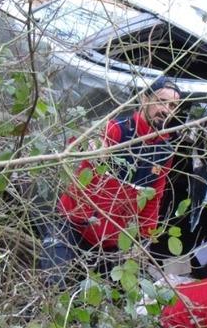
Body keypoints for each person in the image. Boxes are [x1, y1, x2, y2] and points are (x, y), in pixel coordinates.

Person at [40, 77, 182, 285]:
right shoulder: (116, 130)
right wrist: (86, 218)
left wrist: (143, 240)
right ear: (144, 99)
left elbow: (154, 198)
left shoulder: (164, 151)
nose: (166, 110)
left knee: (96, 304)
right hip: (72, 226)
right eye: (161, 101)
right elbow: (79, 172)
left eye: (173, 106)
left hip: (111, 242)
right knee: (52, 286)